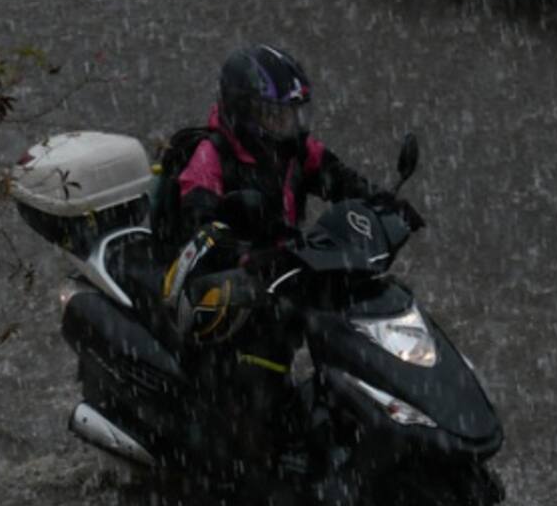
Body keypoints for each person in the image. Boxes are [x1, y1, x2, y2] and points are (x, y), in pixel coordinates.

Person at [160, 44, 423, 469]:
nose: (291, 127)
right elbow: (200, 228)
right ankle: (255, 458)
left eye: (297, 115)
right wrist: (243, 254)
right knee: (264, 350)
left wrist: (385, 206)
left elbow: (341, 180)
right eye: (278, 116)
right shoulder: (209, 159)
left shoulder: (297, 150)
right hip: (224, 287)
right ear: (245, 113)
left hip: (286, 270)